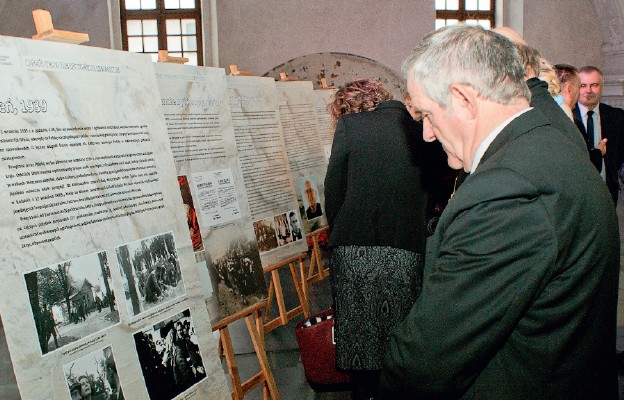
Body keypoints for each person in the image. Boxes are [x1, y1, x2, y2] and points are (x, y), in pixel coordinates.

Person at [380, 25, 619, 399]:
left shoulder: (505, 192)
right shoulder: (550, 134)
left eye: (427, 113)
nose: (426, 133)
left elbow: (425, 364)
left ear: (463, 99)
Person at [324, 79, 429, 399]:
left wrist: (340, 229)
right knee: (399, 337)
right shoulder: (419, 127)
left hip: (354, 251)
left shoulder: (350, 128)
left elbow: (334, 192)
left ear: (345, 107)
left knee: (359, 344)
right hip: (406, 250)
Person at [573, 65, 624, 204]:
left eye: (594, 85)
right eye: (583, 85)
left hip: (607, 195)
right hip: (577, 196)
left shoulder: (617, 117)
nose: (588, 91)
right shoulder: (567, 117)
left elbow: (619, 157)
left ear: (601, 87)